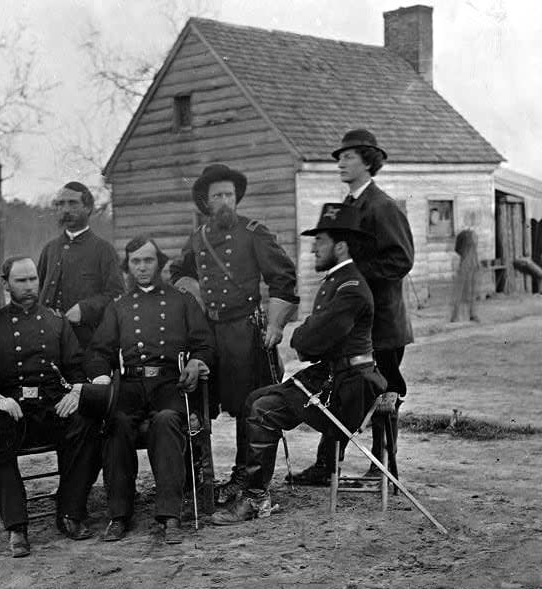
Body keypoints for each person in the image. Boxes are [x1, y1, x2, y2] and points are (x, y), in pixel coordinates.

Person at [212, 204, 386, 524]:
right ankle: (252, 488)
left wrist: (302, 336)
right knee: (254, 399)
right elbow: (313, 334)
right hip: (334, 375)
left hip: (349, 386)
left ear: (340, 246)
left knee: (263, 409)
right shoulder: (338, 280)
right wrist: (306, 334)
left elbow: (311, 339)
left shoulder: (350, 288)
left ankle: (254, 500)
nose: (312, 249)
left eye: (318, 242)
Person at [291, 129, 414, 486]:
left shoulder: (382, 206)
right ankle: (327, 465)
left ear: (368, 161)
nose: (341, 163)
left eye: (348, 157)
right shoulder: (349, 206)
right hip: (352, 320)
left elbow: (401, 260)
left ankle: (384, 465)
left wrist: (356, 277)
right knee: (340, 386)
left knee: (384, 391)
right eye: (339, 158)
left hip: (383, 324)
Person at [169, 164, 298, 504]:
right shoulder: (196, 239)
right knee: (201, 401)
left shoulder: (254, 232)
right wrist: (193, 299)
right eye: (217, 196)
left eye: (229, 194)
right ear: (206, 202)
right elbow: (179, 275)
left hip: (246, 331)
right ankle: (200, 477)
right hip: (210, 333)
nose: (225, 201)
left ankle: (246, 477)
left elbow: (283, 276)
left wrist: (275, 324)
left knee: (249, 405)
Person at [0, 256, 103, 557]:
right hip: (14, 412)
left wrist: (76, 393)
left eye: (33, 279)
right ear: (6, 283)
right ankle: (16, 527)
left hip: (52, 407)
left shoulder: (57, 322)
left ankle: (70, 513)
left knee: (87, 420)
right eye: (20, 281)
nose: (28, 287)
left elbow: (76, 368)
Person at [88, 237, 214, 544]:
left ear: (158, 263)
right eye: (135, 262)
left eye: (148, 261)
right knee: (115, 423)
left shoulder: (180, 300)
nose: (142, 267)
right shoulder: (118, 307)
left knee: (167, 420)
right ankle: (119, 515)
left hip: (171, 383)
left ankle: (169, 515)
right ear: (128, 266)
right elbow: (98, 351)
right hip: (130, 384)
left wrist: (196, 363)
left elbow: (205, 343)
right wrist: (101, 378)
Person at [37, 181, 124, 349]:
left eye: (73, 203)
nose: (66, 209)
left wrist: (85, 309)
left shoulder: (104, 250)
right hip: (49, 344)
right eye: (61, 204)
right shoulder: (49, 249)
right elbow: (37, 291)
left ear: (88, 208)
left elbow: (117, 295)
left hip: (87, 344)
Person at [450, 229, 480, 322]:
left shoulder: (471, 238)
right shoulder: (464, 237)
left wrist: (476, 264)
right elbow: (458, 251)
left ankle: (471, 313)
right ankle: (456, 315)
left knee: (471, 292)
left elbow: (474, 254)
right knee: (460, 291)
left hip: (471, 267)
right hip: (465, 267)